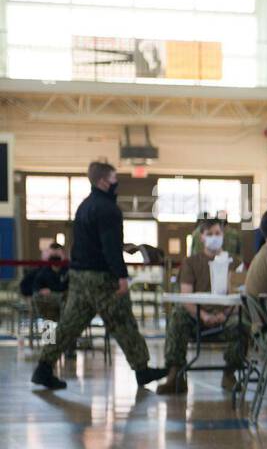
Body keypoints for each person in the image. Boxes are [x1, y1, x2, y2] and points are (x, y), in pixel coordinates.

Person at [30, 162, 169, 391]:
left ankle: (43, 367)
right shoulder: (108, 209)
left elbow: (85, 244)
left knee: (68, 326)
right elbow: (110, 247)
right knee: (123, 321)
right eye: (114, 178)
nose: (117, 183)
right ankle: (143, 370)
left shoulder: (84, 206)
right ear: (104, 181)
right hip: (101, 279)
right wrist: (122, 276)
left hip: (79, 277)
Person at [156, 218, 249, 395]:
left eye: (218, 234)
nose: (215, 237)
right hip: (196, 319)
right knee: (178, 315)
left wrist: (225, 314)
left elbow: (239, 295)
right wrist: (203, 316)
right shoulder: (191, 263)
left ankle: (230, 374)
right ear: (202, 237)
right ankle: (175, 374)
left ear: (224, 235)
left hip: (226, 317)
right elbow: (186, 296)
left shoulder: (234, 263)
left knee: (243, 323)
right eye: (210, 234)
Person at [22, 243, 70, 322]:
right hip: (47, 304)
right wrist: (38, 292)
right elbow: (26, 287)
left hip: (64, 303)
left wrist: (52, 290)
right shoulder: (41, 271)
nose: (55, 257)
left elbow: (68, 287)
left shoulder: (68, 270)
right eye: (52, 254)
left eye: (58, 254)